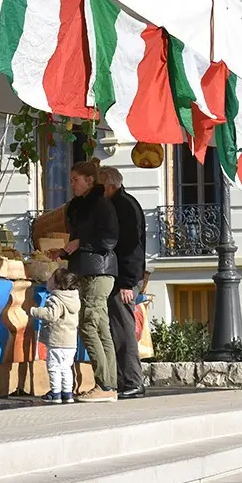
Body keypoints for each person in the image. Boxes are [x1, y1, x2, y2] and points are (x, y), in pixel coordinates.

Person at [55, 160, 119, 403]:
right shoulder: (82, 206)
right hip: (90, 270)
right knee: (101, 329)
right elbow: (82, 239)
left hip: (97, 273)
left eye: (75, 180)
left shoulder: (101, 205)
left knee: (89, 326)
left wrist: (80, 243)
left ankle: (104, 385)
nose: (72, 184)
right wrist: (64, 252)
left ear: (89, 181)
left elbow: (108, 239)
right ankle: (110, 384)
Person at [95, 165, 147, 399]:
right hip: (121, 277)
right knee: (118, 329)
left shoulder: (123, 207)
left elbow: (131, 247)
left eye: (100, 186)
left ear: (110, 186)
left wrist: (127, 282)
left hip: (124, 279)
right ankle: (123, 380)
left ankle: (132, 381)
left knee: (123, 329)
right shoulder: (122, 203)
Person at [29, 268, 81, 404]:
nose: (48, 280)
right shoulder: (74, 299)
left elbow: (51, 315)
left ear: (57, 284)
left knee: (54, 366)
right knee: (66, 368)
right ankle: (67, 393)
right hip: (70, 342)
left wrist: (34, 311)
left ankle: (55, 392)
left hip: (57, 340)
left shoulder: (56, 299)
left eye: (51, 278)